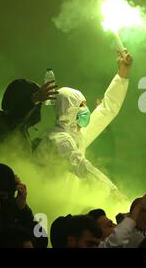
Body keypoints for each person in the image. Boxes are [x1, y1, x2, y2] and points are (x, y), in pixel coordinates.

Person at [34, 50, 132, 194]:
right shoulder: (58, 139)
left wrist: (123, 72)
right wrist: (112, 191)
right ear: (69, 110)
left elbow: (107, 109)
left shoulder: (77, 135)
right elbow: (82, 166)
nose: (87, 109)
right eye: (81, 105)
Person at [0, 79, 57, 176]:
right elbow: (15, 116)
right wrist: (33, 99)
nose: (37, 110)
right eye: (37, 105)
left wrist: (41, 144)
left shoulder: (20, 128)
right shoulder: (1, 121)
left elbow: (20, 152)